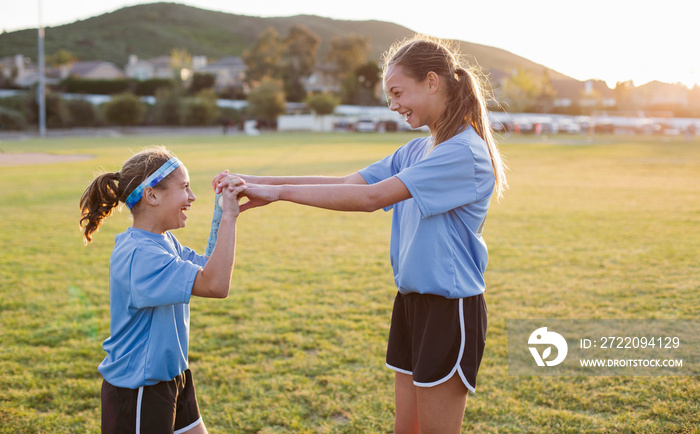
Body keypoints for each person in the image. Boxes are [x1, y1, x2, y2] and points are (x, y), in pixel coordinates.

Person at [214, 35, 508, 433]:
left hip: (448, 309)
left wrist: (280, 193)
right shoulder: (417, 150)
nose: (394, 105)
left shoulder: (462, 152)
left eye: (398, 92)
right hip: (411, 303)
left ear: (432, 82)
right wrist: (256, 183)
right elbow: (348, 182)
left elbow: (371, 198)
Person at [80, 146, 245, 434]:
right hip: (138, 391)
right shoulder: (140, 254)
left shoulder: (162, 241)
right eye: (185, 187)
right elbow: (216, 284)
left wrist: (221, 213)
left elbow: (209, 266)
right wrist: (230, 218)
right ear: (152, 195)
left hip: (172, 378)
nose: (192, 197)